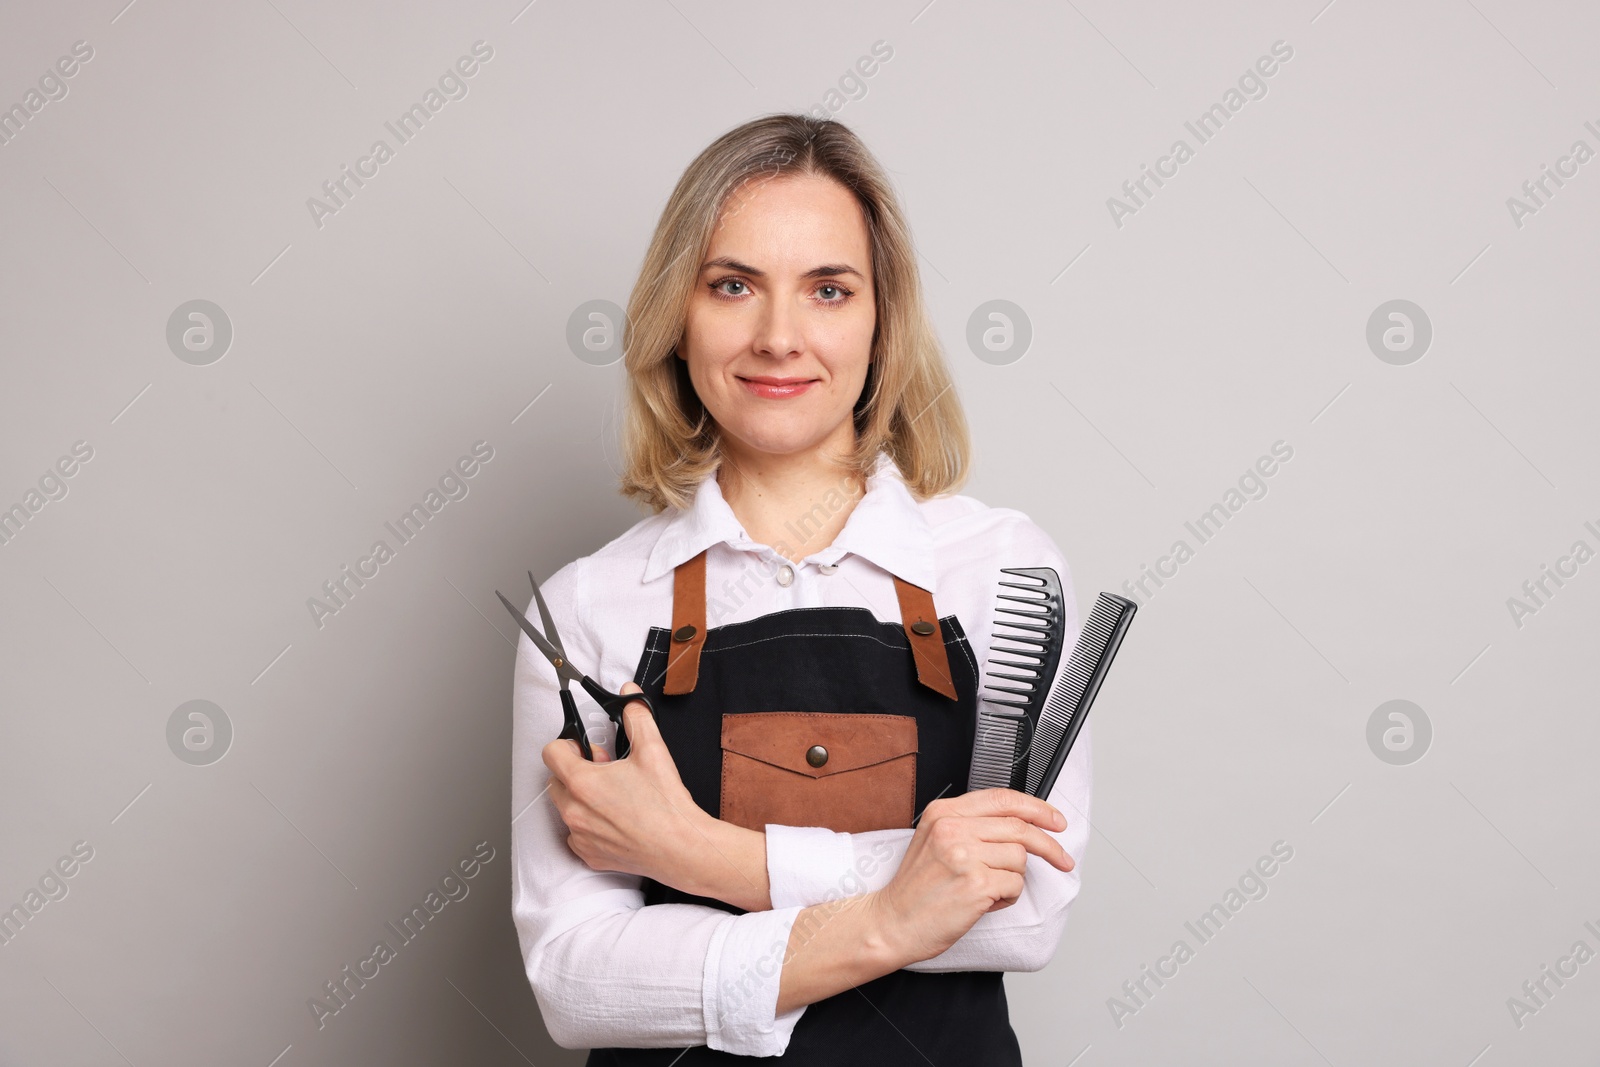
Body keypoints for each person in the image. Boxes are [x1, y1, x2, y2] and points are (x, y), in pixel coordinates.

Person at [510, 113, 1091, 1064]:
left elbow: (1019, 915)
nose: (780, 337)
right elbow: (579, 983)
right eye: (733, 285)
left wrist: (705, 857)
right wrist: (892, 919)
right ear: (677, 315)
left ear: (880, 319)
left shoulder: (1001, 568)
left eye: (828, 289)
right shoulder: (586, 609)